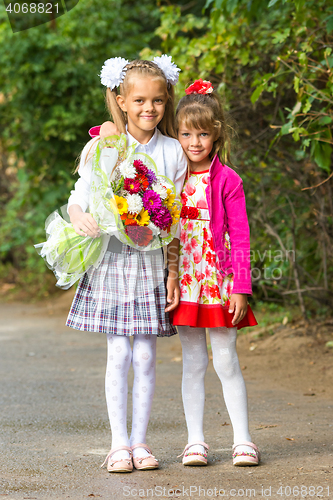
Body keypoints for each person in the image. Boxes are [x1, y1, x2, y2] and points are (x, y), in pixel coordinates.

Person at [66, 56, 188, 472]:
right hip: (114, 259)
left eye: (156, 100)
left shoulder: (173, 151)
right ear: (120, 100)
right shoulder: (105, 145)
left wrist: (173, 271)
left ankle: (141, 443)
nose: (148, 109)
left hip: (152, 262)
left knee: (147, 357)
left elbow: (178, 218)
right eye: (138, 100)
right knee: (119, 353)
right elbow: (79, 194)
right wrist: (78, 214)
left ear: (166, 99)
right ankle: (118, 444)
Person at [171, 79, 260, 467]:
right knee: (193, 362)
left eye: (203, 133)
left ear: (216, 134)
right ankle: (196, 441)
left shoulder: (228, 179)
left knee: (225, 359)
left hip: (219, 282)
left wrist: (240, 286)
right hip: (186, 281)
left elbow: (240, 236)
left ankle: (243, 441)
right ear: (176, 135)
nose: (194, 142)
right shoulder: (169, 177)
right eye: (186, 133)